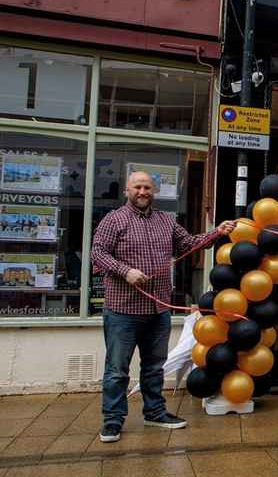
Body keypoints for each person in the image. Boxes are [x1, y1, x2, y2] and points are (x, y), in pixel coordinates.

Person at [91, 171, 235, 443]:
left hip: (158, 311)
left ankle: (154, 413)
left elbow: (190, 244)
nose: (143, 191)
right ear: (127, 190)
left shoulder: (165, 221)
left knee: (155, 367)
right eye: (137, 187)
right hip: (123, 310)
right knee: (116, 370)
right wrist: (126, 271)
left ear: (153, 191)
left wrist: (218, 232)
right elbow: (97, 253)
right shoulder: (114, 219)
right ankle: (112, 421)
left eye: (147, 187)